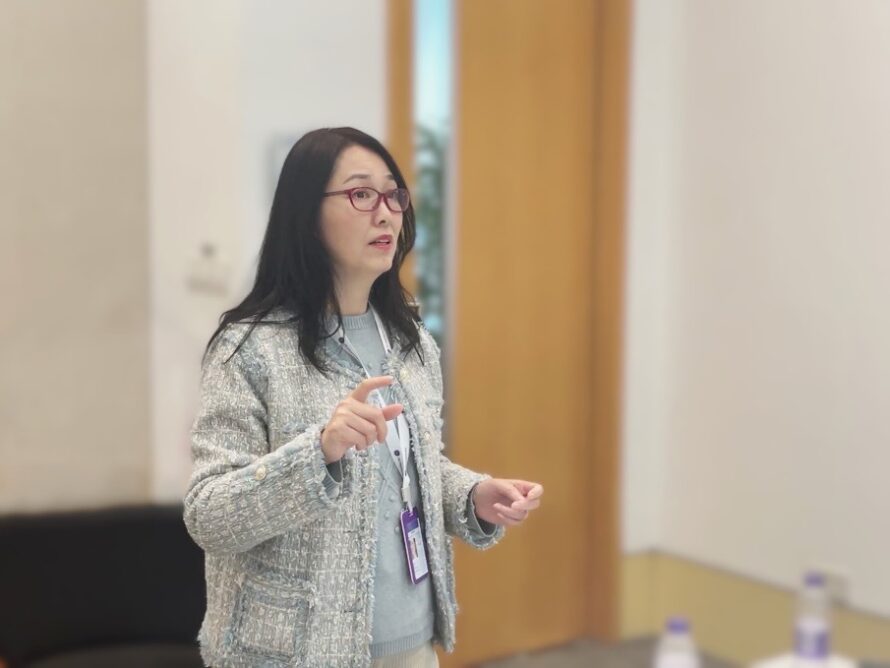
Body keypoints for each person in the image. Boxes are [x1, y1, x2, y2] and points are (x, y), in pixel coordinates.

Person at [183, 127, 543, 667]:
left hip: (412, 645)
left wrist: (472, 495)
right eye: (361, 194)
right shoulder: (250, 348)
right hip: (294, 655)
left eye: (394, 195)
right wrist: (319, 453)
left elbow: (409, 470)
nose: (386, 214)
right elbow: (209, 515)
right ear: (307, 214)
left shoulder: (411, 341)